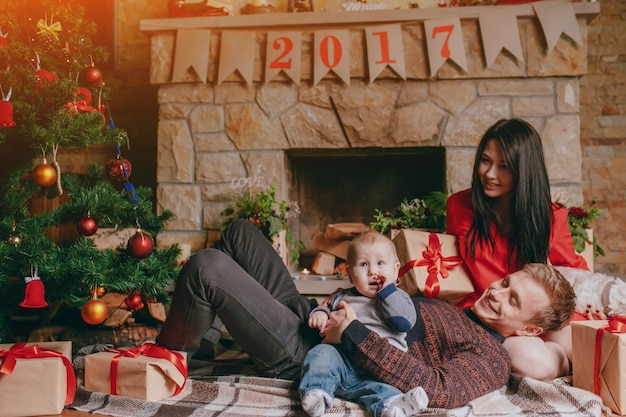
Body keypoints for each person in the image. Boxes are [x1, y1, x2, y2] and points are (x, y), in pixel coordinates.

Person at [156, 219, 575, 410]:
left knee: (207, 267)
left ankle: (164, 364)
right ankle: (207, 337)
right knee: (239, 233)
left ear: (531, 328)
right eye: (504, 283)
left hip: (318, 355)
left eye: (513, 301)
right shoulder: (461, 308)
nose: (497, 293)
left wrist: (352, 333)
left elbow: (437, 388)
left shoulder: (492, 359)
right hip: (320, 318)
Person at [446, 117, 589, 380]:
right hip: (489, 315)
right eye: (486, 161)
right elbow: (451, 268)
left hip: (534, 317)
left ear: (525, 170)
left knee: (586, 342)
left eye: (504, 166)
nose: (490, 174)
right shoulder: (459, 206)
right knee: (537, 366)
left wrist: (587, 307)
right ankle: (559, 361)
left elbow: (572, 269)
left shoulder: (550, 216)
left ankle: (558, 351)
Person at [299, 231, 426, 417]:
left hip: (378, 371)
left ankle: (392, 406)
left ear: (396, 269)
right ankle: (317, 393)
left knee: (384, 390)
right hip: (342, 364)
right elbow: (327, 307)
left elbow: (402, 322)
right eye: (363, 264)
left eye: (381, 263)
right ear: (350, 274)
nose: (373, 272)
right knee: (320, 353)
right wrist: (320, 314)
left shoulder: (398, 298)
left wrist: (388, 290)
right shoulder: (342, 296)